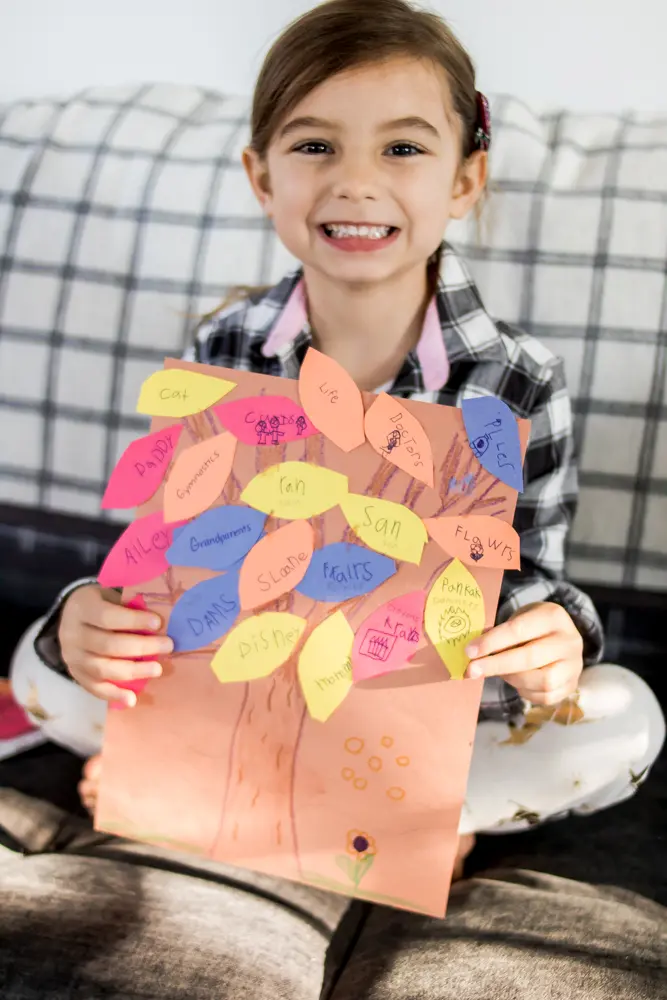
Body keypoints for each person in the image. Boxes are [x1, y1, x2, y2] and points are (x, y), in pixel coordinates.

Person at [10, 0, 664, 871]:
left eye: (402, 147)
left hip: (411, 720)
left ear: (464, 180)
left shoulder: (517, 382)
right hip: (244, 695)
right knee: (39, 661)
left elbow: (530, 576)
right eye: (314, 145)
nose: (355, 182)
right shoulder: (226, 351)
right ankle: (218, 783)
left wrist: (554, 640)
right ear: (261, 177)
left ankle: (393, 807)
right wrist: (91, 621)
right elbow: (172, 557)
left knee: (626, 718)